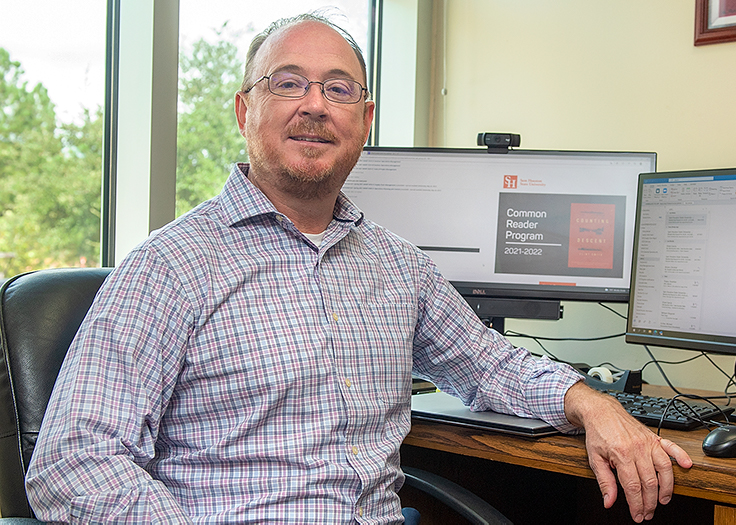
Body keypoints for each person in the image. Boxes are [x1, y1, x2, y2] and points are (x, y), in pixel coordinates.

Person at [25, 12, 692, 524]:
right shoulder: (170, 266)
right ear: (244, 110)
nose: (315, 105)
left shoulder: (397, 265)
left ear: (364, 120)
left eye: (338, 90)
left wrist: (591, 402)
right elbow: (74, 462)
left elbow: (489, 365)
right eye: (288, 83)